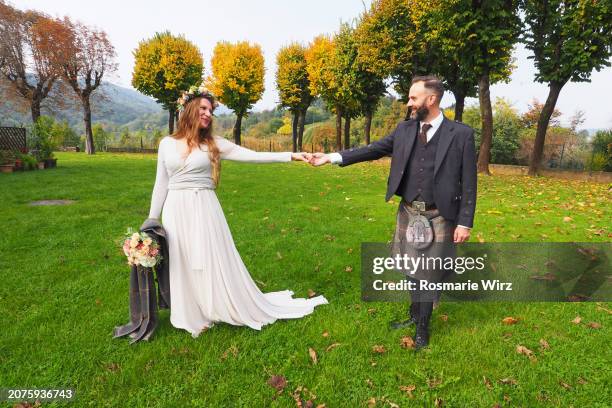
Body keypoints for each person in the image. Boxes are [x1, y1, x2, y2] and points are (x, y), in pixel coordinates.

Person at [145, 83, 328, 338]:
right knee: (182, 259)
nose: (208, 114)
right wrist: (152, 219)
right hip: (175, 209)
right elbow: (161, 183)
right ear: (188, 109)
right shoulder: (166, 144)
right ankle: (190, 314)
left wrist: (291, 155)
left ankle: (215, 305)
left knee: (208, 258)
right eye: (204, 108)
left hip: (204, 207)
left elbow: (254, 156)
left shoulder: (214, 144)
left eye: (211, 110)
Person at [310, 75, 477, 350]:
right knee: (411, 268)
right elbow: (373, 150)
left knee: (428, 273)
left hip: (440, 214)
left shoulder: (460, 134)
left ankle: (423, 327)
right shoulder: (405, 129)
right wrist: (332, 158)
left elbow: (469, 182)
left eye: (413, 98)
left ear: (431, 99)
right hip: (410, 210)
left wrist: (465, 223)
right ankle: (415, 315)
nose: (409, 103)